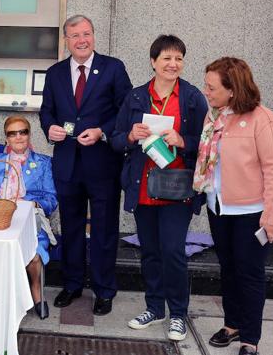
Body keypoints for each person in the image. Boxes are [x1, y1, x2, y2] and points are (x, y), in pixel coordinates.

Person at [110, 35, 207, 341]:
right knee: (150, 251)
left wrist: (183, 141)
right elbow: (115, 139)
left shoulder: (192, 98)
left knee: (173, 251)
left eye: (178, 58)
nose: (172, 64)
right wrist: (129, 135)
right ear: (153, 62)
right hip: (143, 186)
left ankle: (178, 313)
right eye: (166, 58)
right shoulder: (136, 97)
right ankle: (155, 307)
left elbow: (207, 143)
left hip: (177, 187)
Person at [39, 15, 132, 315]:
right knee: (72, 226)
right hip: (67, 163)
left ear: (94, 35)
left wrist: (102, 131)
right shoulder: (54, 73)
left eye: (87, 34)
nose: (82, 40)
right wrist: (50, 128)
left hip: (103, 164)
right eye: (75, 35)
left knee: (105, 229)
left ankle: (104, 290)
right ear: (66, 40)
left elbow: (126, 110)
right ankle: (72, 284)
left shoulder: (113, 68)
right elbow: (46, 112)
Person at [194, 57, 273, 355]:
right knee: (228, 269)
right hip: (218, 206)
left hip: (251, 212)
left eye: (211, 86)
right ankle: (232, 324)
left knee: (249, 273)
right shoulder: (214, 116)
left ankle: (250, 337)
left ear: (232, 89)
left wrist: (272, 216)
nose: (206, 91)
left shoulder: (263, 119)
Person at [0, 116, 58, 319]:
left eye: (23, 131)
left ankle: (37, 293)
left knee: (33, 255)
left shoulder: (43, 163)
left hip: (31, 221)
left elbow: (51, 198)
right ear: (6, 138)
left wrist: (34, 205)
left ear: (29, 135)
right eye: (12, 133)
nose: (18, 137)